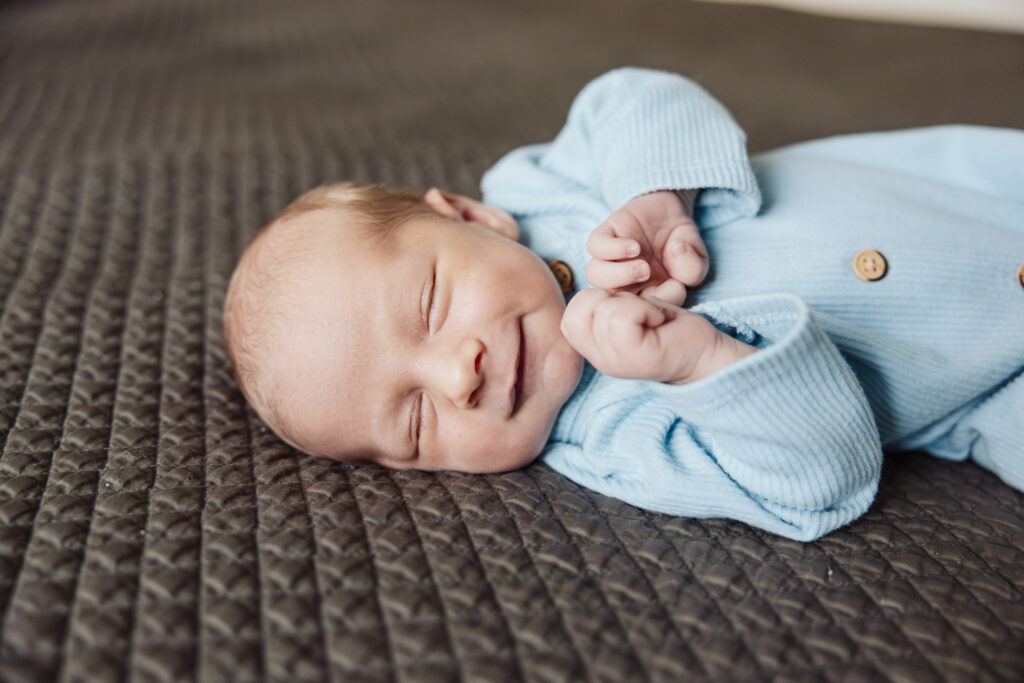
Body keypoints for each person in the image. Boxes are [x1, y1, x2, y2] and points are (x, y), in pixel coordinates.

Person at [223, 67, 1024, 541]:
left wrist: (655, 194)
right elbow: (822, 477)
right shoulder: (610, 441)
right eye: (418, 422)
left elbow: (640, 96)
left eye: (430, 305)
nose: (457, 377)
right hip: (995, 389)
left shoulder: (543, 187)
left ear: (470, 216)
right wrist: (698, 362)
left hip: (975, 185)